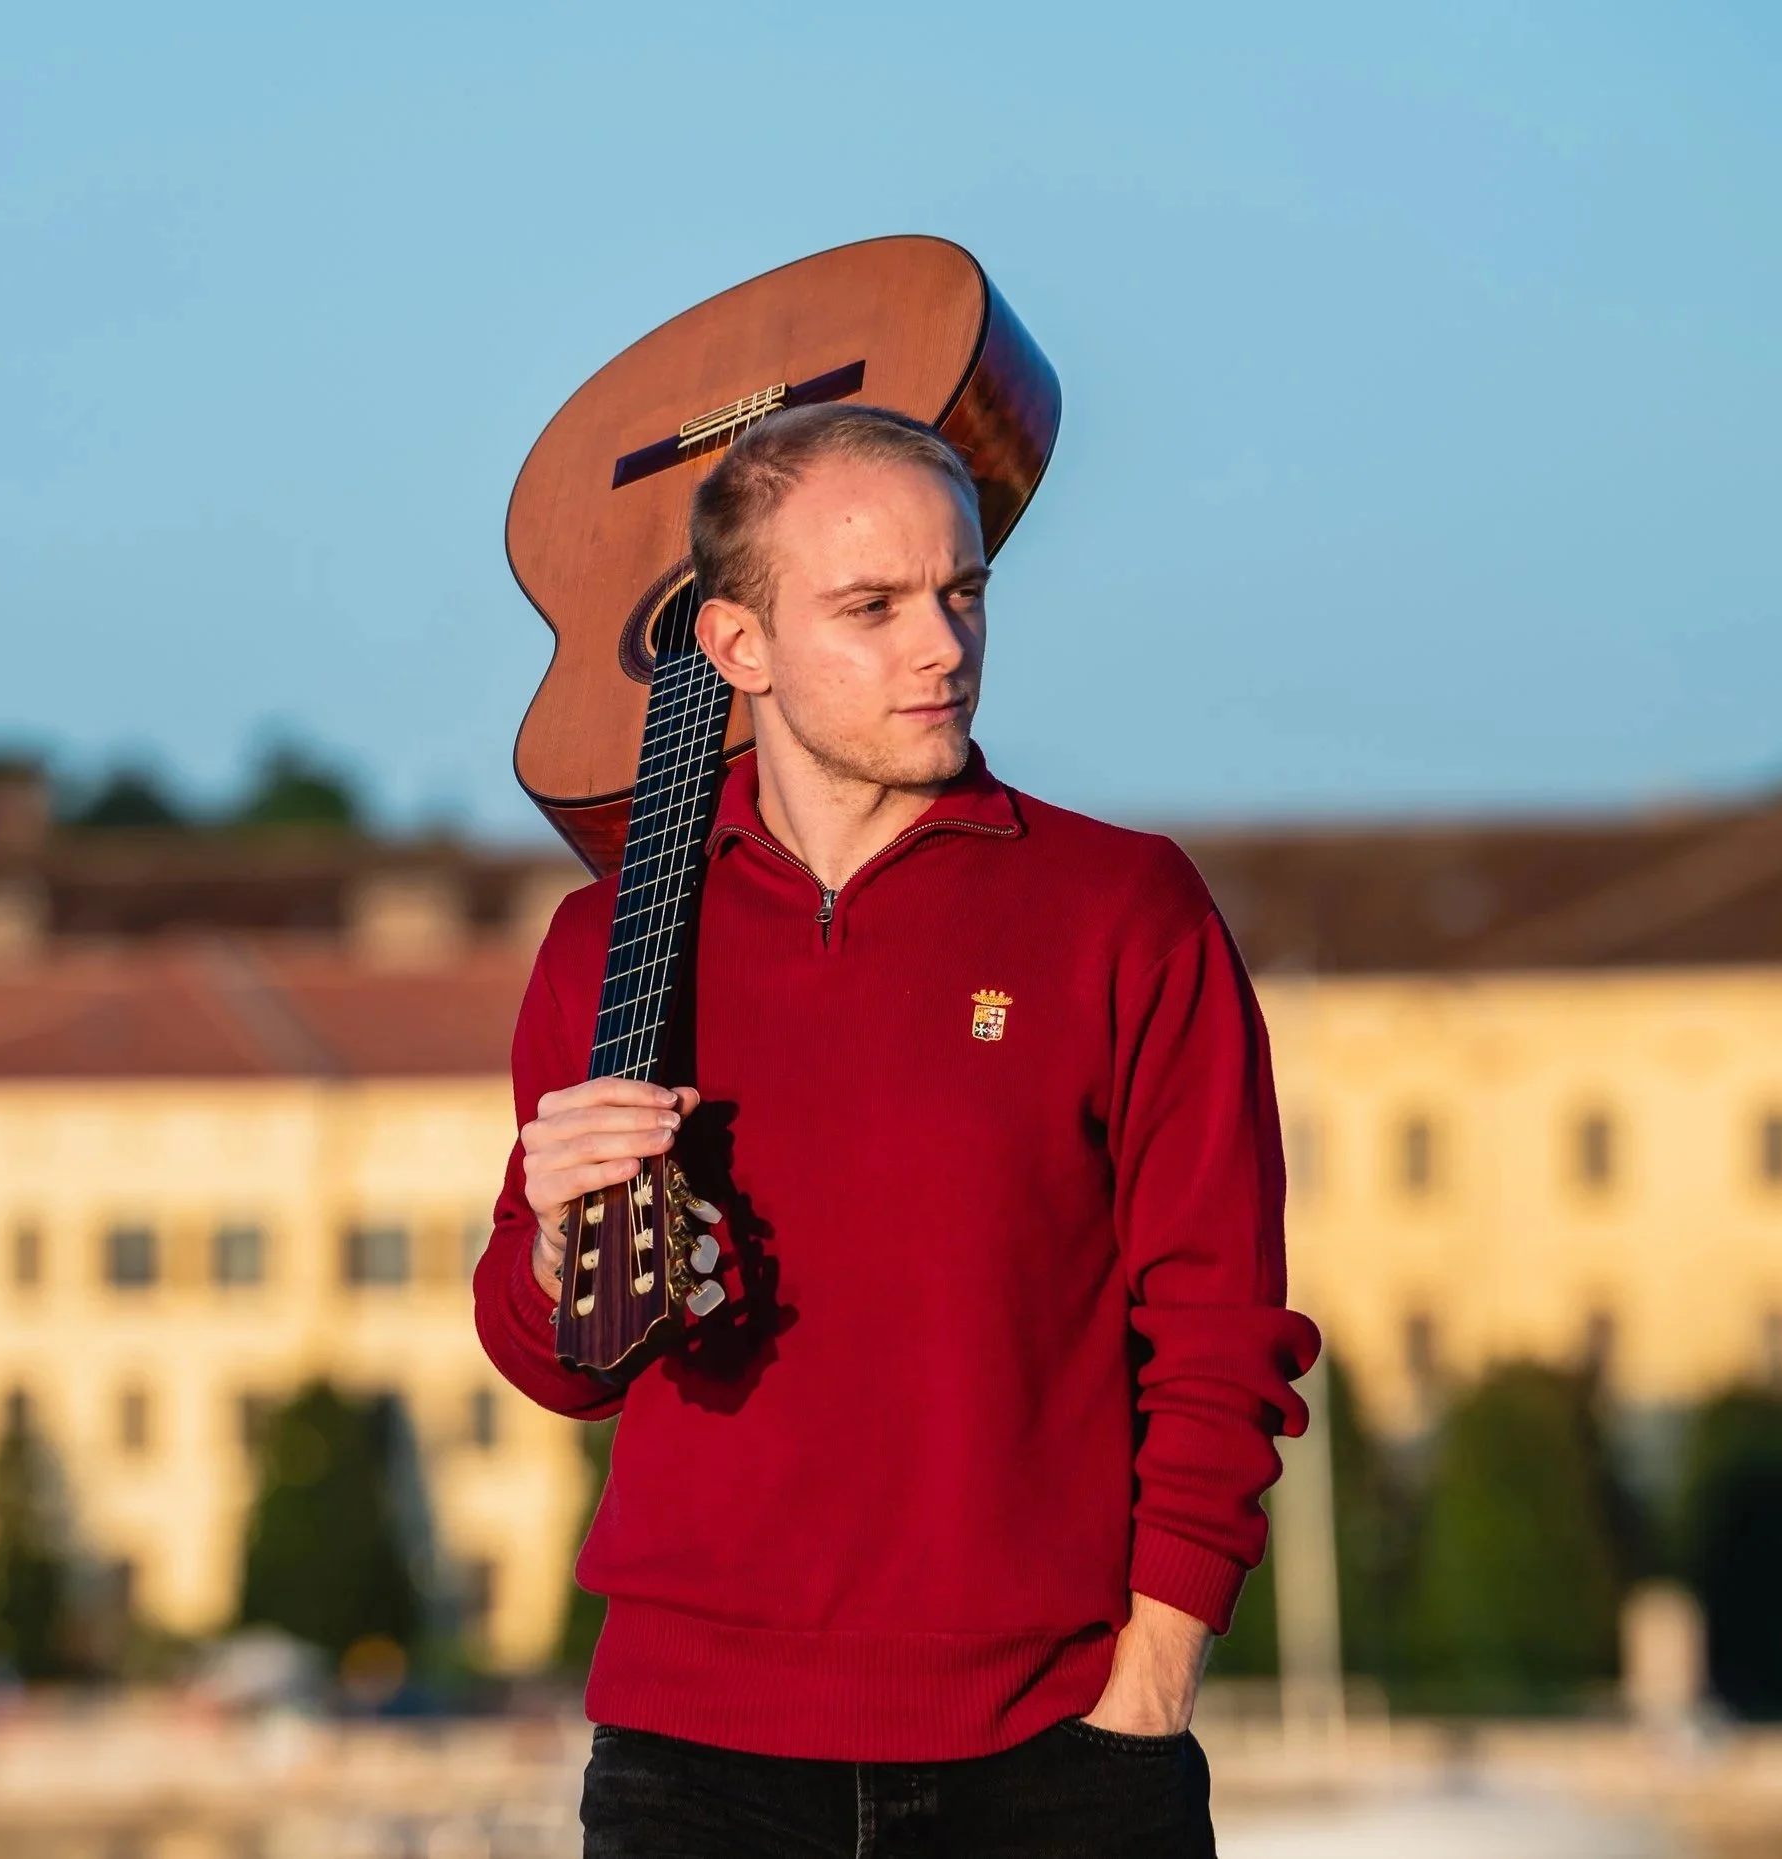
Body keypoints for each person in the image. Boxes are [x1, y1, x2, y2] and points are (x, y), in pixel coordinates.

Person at [472, 402, 1321, 1857]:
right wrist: (557, 1243)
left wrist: (1151, 1681)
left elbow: (1220, 1325)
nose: (942, 645)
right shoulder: (609, 942)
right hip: (694, 1764)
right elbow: (558, 1369)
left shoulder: (1126, 911)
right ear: (737, 647)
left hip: (1054, 1753)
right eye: (871, 607)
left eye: (964, 592)